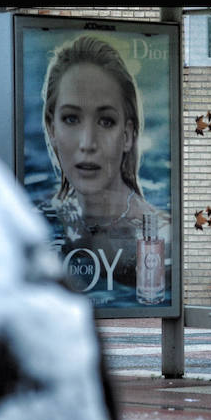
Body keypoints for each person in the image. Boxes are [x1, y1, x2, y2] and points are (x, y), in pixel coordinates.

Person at [41, 34, 170, 289]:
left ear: (128, 135)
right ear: (51, 128)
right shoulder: (40, 217)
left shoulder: (158, 236)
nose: (88, 143)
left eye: (106, 121)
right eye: (71, 119)